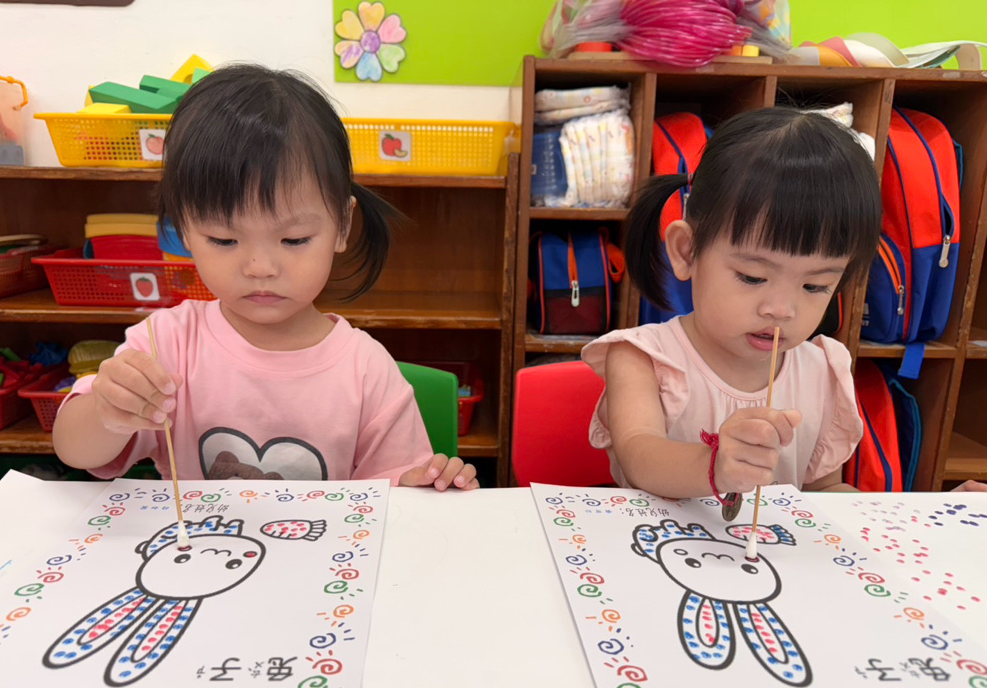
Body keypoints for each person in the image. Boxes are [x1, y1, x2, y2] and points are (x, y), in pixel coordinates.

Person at [53, 64, 478, 491]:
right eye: (224, 239)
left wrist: (425, 484)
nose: (260, 267)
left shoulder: (366, 369)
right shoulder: (168, 343)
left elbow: (396, 493)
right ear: (183, 231)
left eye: (294, 240)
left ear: (342, 227)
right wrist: (108, 411)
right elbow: (74, 450)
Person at [582, 107, 985, 498]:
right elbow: (641, 458)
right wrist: (715, 466)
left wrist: (925, 516)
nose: (781, 309)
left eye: (814, 286)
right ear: (687, 251)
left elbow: (823, 491)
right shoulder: (643, 358)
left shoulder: (823, 372)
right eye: (752, 277)